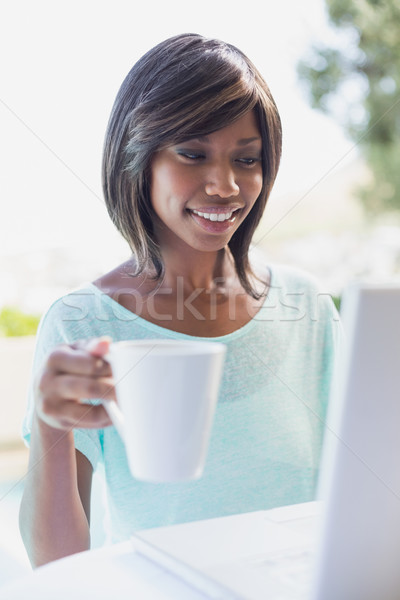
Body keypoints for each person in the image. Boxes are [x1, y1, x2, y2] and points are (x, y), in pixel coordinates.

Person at [19, 33, 341, 568]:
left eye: (247, 159)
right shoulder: (82, 322)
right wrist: (50, 421)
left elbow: (355, 494)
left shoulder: (306, 307)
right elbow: (57, 565)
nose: (225, 185)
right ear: (137, 156)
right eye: (193, 154)